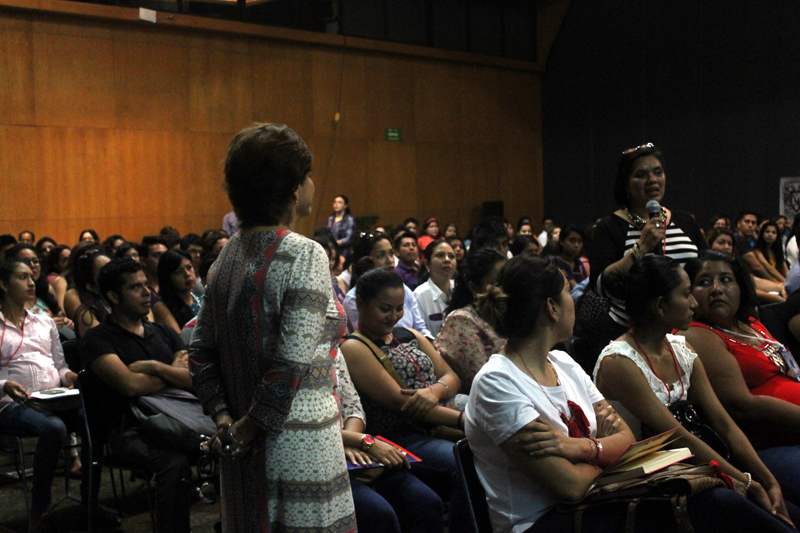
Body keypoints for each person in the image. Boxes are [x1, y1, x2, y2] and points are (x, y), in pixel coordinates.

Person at [467, 254, 794, 533]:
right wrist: (606, 454)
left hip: (598, 499)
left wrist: (578, 447)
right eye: (569, 292)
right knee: (714, 502)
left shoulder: (563, 362)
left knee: (729, 501)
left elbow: (624, 437)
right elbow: (569, 486)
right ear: (552, 308)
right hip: (544, 522)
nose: (574, 300)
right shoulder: (498, 381)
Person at [188, 123, 356, 533]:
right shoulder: (305, 253)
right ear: (294, 188)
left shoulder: (223, 261)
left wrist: (227, 419)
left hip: (240, 453)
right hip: (301, 447)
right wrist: (247, 429)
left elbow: (200, 352)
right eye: (308, 175)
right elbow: (292, 363)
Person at [593, 255, 798, 526]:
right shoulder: (620, 361)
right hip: (643, 480)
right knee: (745, 509)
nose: (693, 303)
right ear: (660, 306)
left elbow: (724, 424)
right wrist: (745, 481)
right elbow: (676, 437)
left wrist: (768, 481)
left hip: (689, 468)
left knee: (785, 510)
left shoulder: (681, 349)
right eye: (687, 293)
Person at [340, 268, 469, 532]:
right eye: (385, 309)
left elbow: (451, 376)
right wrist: (462, 420)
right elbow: (404, 404)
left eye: (399, 308)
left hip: (436, 424)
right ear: (361, 304)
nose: (394, 316)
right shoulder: (355, 347)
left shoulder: (409, 334)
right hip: (399, 435)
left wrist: (435, 391)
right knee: (464, 460)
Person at [80, 259, 195, 533]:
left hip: (178, 416)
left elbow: (193, 379)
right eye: (135, 287)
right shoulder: (98, 339)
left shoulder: (163, 332)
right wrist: (171, 372)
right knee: (174, 464)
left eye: (146, 284)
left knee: (231, 442)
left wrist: (155, 368)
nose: (147, 293)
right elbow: (130, 386)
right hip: (128, 429)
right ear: (113, 296)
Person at [589, 143, 706, 350]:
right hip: (629, 333)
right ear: (626, 184)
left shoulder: (685, 221)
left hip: (688, 329)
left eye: (658, 172)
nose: (652, 180)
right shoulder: (609, 228)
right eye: (641, 174)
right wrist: (641, 247)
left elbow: (703, 270)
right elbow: (600, 285)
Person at [682, 251, 800, 451]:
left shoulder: (751, 323)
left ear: (740, 287)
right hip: (767, 442)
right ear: (690, 294)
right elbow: (743, 407)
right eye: (704, 282)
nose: (716, 289)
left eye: (726, 279)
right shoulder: (697, 334)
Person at [0, 259, 81, 527]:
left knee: (97, 416)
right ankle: (40, 507)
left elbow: (60, 365)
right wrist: (4, 385)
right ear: (3, 283)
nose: (32, 282)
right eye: (22, 277)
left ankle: (90, 501)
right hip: (11, 404)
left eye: (31, 277)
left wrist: (69, 377)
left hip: (52, 398)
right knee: (54, 428)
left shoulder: (44, 321)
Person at [436, 248, 506, 393]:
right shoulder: (461, 320)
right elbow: (483, 383)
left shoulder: (506, 315)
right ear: (474, 288)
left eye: (508, 281)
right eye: (496, 283)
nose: (505, 290)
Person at [343, 231, 431, 337]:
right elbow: (367, 339)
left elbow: (420, 328)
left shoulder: (403, 289)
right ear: (365, 261)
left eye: (391, 253)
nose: (390, 260)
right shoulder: (353, 299)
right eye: (380, 255)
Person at [414, 240, 456, 338]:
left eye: (451, 256)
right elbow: (420, 335)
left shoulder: (460, 290)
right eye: (440, 255)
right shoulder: (419, 295)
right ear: (427, 264)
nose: (447, 260)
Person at [152, 250, 201, 333]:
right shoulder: (161, 307)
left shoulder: (201, 298)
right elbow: (180, 340)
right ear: (167, 278)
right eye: (178, 272)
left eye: (189, 267)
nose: (187, 274)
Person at [72, 250, 111, 338]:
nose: (114, 274)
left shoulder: (125, 301)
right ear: (91, 286)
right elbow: (104, 344)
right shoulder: (86, 314)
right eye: (106, 271)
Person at [554, 224, 589, 289]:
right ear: (561, 241)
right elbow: (574, 287)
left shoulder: (578, 263)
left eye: (580, 241)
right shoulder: (556, 263)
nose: (576, 245)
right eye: (572, 241)